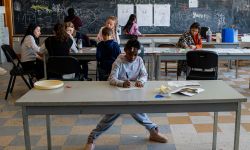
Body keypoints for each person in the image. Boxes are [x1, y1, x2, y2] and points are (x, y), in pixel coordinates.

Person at [83, 39, 168, 150]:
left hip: (133, 92)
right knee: (111, 116)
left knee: (137, 111)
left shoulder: (139, 60)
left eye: (135, 54)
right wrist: (122, 83)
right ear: (125, 51)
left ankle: (153, 132)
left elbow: (144, 75)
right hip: (118, 92)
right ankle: (92, 138)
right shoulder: (119, 61)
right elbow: (112, 78)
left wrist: (141, 81)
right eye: (130, 54)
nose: (132, 57)